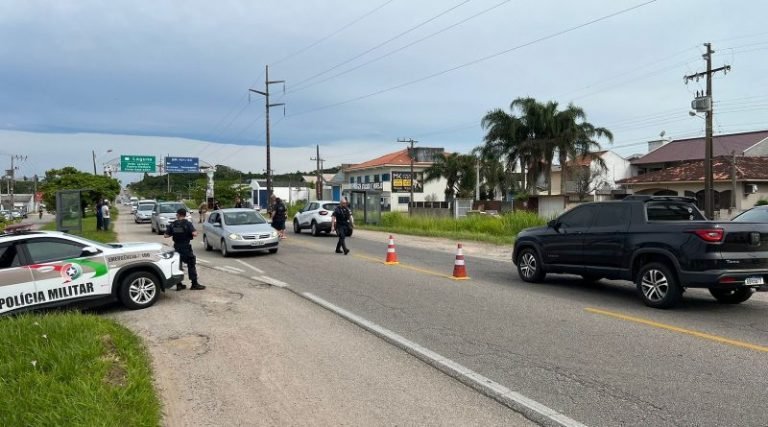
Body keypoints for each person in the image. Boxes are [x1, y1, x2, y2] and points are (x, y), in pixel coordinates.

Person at [164, 208, 205, 291]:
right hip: (185, 247)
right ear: (185, 215)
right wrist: (194, 232)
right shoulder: (188, 224)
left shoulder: (173, 224)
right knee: (191, 263)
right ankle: (194, 284)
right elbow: (194, 234)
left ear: (178, 215)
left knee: (178, 265)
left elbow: (165, 235)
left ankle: (179, 284)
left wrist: (174, 233)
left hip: (176, 247)